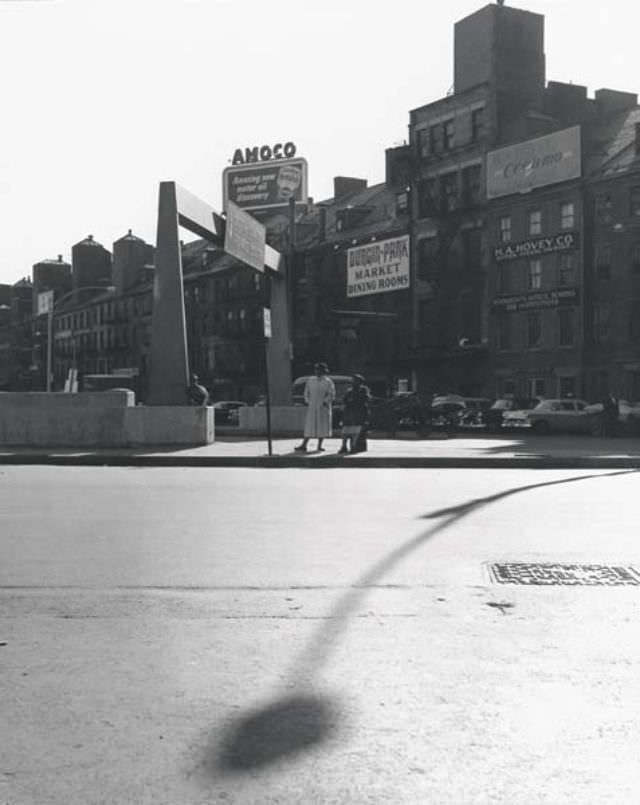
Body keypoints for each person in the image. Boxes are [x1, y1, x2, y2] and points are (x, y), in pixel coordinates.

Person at [294, 363, 335, 452]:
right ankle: (304, 445)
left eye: (320, 370)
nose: (318, 372)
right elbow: (306, 392)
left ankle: (319, 445)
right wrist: (308, 401)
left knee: (322, 426)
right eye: (316, 370)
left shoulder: (328, 382)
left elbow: (331, 394)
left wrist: (325, 401)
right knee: (309, 425)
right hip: (312, 406)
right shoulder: (311, 380)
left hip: (323, 407)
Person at [338, 374, 372, 454]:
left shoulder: (363, 390)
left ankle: (353, 446)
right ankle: (344, 446)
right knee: (346, 431)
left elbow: (364, 399)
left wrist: (353, 400)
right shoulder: (350, 391)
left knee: (356, 431)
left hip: (359, 412)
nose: (354, 382)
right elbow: (345, 400)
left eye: (356, 381)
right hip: (349, 412)